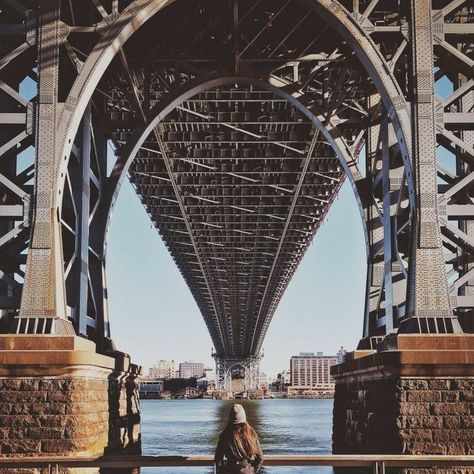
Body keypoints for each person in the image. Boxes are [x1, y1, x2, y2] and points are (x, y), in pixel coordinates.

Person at [214, 404, 264, 473]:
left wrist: (223, 471)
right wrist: (252, 470)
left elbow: (218, 460)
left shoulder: (224, 435)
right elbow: (260, 458)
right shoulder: (251, 434)